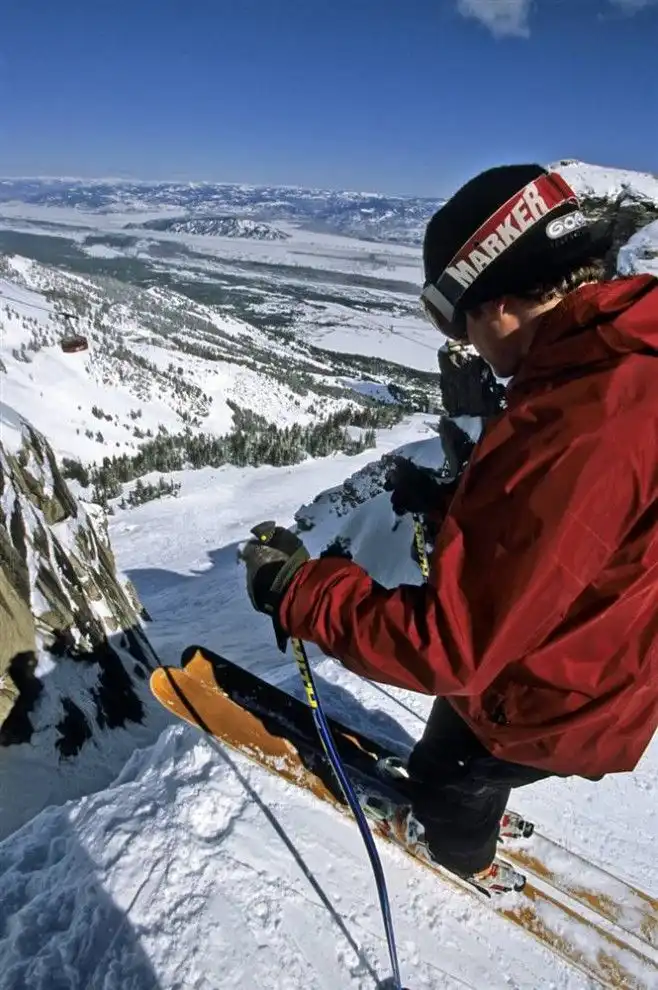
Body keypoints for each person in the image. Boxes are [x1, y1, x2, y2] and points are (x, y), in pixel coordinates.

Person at [242, 164, 658, 894]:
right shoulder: (624, 362)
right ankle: (474, 803)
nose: (464, 342)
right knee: (467, 748)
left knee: (453, 769)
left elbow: (453, 648)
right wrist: (464, 504)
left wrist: (298, 592)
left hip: (551, 694)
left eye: (456, 319)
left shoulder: (577, 425)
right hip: (594, 661)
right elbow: (584, 535)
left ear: (498, 304)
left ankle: (458, 849)